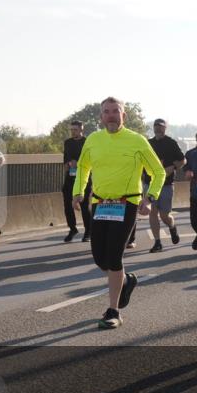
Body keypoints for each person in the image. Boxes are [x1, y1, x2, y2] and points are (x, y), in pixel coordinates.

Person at [72, 97, 165, 330]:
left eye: (115, 111)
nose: (111, 115)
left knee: (114, 256)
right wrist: (78, 192)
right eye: (106, 112)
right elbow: (83, 167)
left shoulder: (137, 140)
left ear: (124, 115)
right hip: (100, 204)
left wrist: (150, 198)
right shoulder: (93, 139)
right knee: (100, 258)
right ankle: (125, 280)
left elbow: (158, 172)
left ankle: (113, 311)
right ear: (101, 117)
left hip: (127, 203)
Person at [145, 118, 185, 253]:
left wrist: (173, 167)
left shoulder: (171, 143)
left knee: (164, 215)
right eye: (156, 125)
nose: (158, 128)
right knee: (152, 213)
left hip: (166, 184)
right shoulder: (148, 143)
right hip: (150, 184)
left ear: (165, 128)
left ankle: (172, 227)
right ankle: (157, 242)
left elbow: (183, 160)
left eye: (160, 126)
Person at [61, 121, 91, 242]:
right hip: (70, 177)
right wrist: (68, 164)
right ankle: (72, 229)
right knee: (68, 205)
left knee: (84, 205)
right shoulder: (67, 142)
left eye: (75, 129)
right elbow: (65, 158)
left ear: (81, 130)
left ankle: (88, 231)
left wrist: (79, 163)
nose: (73, 132)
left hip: (84, 178)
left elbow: (91, 159)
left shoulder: (87, 142)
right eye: (71, 130)